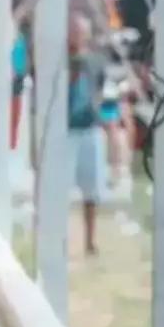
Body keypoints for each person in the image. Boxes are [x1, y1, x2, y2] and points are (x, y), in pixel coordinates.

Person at [68, 13, 108, 256]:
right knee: (58, 186)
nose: (77, 35)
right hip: (65, 129)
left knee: (91, 190)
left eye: (81, 31)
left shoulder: (95, 61)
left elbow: (101, 87)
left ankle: (90, 240)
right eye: (74, 30)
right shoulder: (61, 60)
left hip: (89, 127)